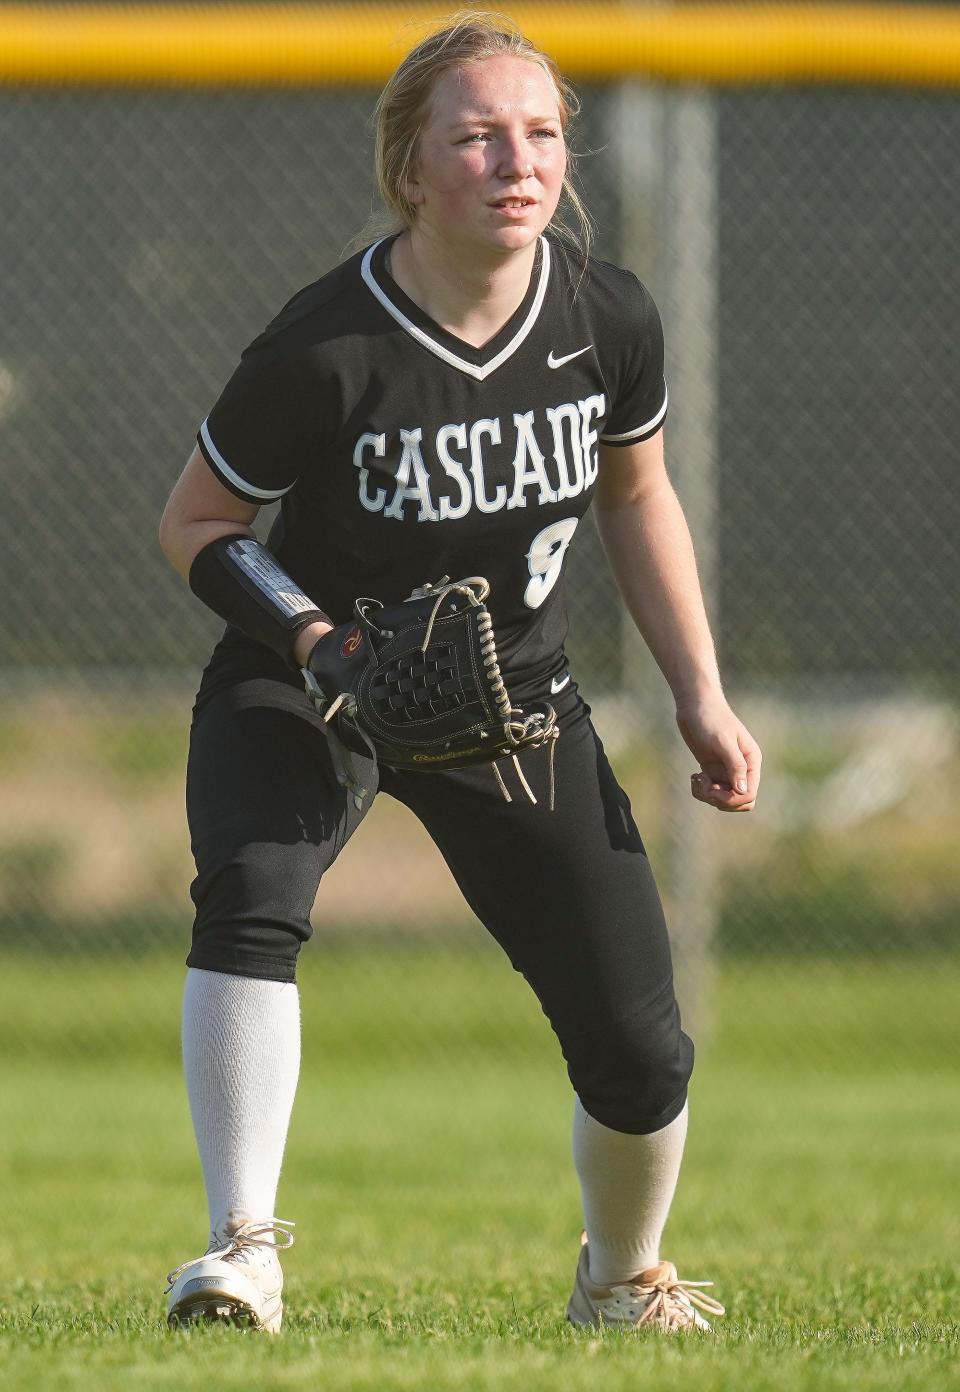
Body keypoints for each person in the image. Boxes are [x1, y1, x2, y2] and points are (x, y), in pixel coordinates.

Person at [158, 12, 761, 1335]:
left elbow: (639, 494)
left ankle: (618, 1282)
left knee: (643, 1049)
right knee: (252, 896)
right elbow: (195, 524)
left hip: (511, 700)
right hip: (321, 676)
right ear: (411, 169)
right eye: (477, 135)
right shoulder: (327, 345)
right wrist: (319, 644)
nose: (516, 159)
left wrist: (699, 694)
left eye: (541, 131)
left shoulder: (607, 316)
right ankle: (240, 1253)